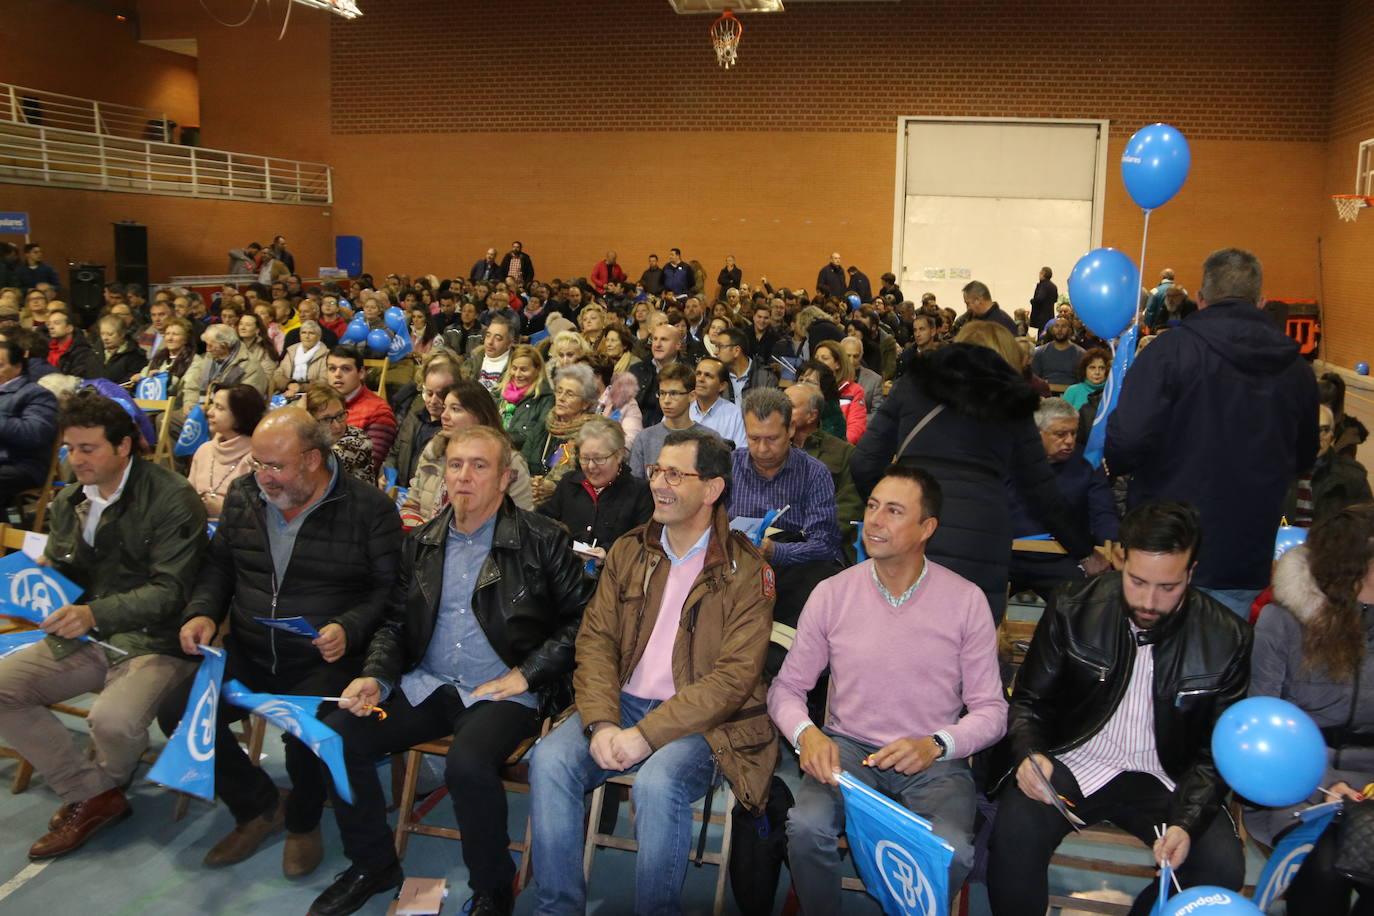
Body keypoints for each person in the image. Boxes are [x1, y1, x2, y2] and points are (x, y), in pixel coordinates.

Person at [312, 424, 593, 916]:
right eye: (455, 465)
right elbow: (396, 623)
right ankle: (374, 863)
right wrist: (375, 675)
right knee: (336, 735)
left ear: (505, 477)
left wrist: (527, 673)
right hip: (429, 684)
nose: (464, 476)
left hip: (504, 692)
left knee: (468, 764)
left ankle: (492, 885)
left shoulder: (544, 540)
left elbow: (585, 622)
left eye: (479, 466)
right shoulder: (420, 541)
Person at [529, 428, 777, 914]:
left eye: (674, 474)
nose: (658, 484)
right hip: (620, 702)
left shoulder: (746, 571)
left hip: (703, 723)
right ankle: (556, 908)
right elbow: (596, 641)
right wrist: (601, 722)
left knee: (658, 783)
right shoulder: (630, 549)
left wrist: (644, 735)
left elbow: (732, 680)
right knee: (549, 760)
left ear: (711, 489)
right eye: (656, 471)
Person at [987, 501, 1251, 916]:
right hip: (1074, 760)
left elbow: (1214, 755)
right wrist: (1029, 754)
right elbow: (1029, 702)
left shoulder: (1227, 637)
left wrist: (1186, 822)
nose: (1149, 601)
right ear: (1120, 559)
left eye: (1168, 587)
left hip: (1166, 778)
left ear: (1191, 572)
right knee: (1012, 834)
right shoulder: (1073, 604)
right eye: (1138, 581)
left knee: (1220, 867)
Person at [171, 407, 402, 874]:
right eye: (257, 464)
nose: (264, 478)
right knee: (178, 711)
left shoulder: (368, 509)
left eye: (276, 466)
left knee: (306, 733)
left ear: (314, 459)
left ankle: (303, 822)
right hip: (253, 648)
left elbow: (389, 591)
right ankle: (258, 805)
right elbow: (220, 566)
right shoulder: (244, 494)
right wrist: (202, 613)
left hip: (324, 658)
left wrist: (348, 626)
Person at [772, 465, 1008, 909]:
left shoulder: (966, 601)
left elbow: (992, 711)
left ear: (926, 528)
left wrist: (937, 744)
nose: (875, 521)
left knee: (953, 850)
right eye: (873, 506)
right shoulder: (832, 593)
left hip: (932, 760)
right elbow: (785, 689)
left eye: (894, 511)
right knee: (806, 828)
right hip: (847, 751)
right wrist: (808, 735)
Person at [0, 390, 206, 859]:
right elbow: (75, 576)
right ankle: (92, 793)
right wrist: (48, 575)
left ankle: (94, 796)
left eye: (87, 449)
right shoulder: (70, 500)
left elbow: (171, 592)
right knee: (1, 687)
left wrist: (91, 613)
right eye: (69, 449)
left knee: (111, 722)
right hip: (89, 636)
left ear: (123, 446)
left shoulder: (173, 497)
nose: (75, 460)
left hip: (157, 640)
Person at [1106, 247, 1319, 618]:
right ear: (1262, 301)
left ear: (1200, 300)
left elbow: (1126, 442)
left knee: (1148, 662)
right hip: (1244, 549)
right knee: (1219, 663)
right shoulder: (1296, 368)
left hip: (1163, 549)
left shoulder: (1168, 352)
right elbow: (1305, 458)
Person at [852, 338, 1102, 621]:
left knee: (896, 633)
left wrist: (888, 511)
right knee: (968, 643)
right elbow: (1042, 493)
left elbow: (863, 462)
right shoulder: (1012, 401)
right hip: (981, 539)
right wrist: (1084, 552)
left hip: (910, 529)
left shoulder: (913, 386)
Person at [1247, 504, 1374, 915]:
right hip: (1300, 784)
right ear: (1352, 572)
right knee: (1323, 871)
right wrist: (1325, 783)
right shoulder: (1281, 622)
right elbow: (1263, 729)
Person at [732, 388, 843, 651]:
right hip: (734, 575)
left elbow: (825, 544)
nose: (761, 449)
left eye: (772, 439)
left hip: (792, 581)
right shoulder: (729, 467)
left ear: (791, 429)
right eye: (753, 438)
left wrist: (776, 551)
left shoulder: (813, 474)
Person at [1009, 398, 1120, 600]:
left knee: (1083, 606)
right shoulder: (1009, 459)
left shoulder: (1087, 461)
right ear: (1037, 433)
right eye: (1060, 434)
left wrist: (1112, 545)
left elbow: (1102, 512)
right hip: (1009, 556)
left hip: (1063, 556)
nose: (1069, 440)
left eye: (1073, 433)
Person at [402, 380, 536, 529]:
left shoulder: (510, 462)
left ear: (480, 415)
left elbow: (521, 525)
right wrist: (425, 537)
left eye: (455, 409)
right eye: (445, 408)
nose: (444, 416)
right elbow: (412, 504)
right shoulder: (434, 449)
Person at [537, 414, 653, 563]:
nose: (591, 466)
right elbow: (545, 521)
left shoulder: (640, 492)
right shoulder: (569, 483)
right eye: (585, 458)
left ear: (618, 455)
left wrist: (607, 552)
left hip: (611, 575)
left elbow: (641, 540)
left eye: (599, 459)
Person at [785, 383, 864, 562]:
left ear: (812, 415)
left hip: (825, 547)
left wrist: (809, 537)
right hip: (776, 541)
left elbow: (850, 507)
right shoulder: (772, 449)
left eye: (789, 406)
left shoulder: (843, 452)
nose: (781, 411)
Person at [187, 383, 264, 523]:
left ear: (240, 415)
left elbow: (261, 514)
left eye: (219, 408)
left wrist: (223, 510)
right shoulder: (204, 450)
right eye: (212, 405)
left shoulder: (258, 458)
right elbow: (186, 495)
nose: (209, 412)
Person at [1284, 403, 1372, 526]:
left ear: (1332, 435)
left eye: (1324, 430)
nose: (1316, 436)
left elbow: (1365, 525)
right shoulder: (1271, 471)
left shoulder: (1352, 477)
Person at [0, 336, 58, 510]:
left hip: (22, 464)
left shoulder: (37, 394)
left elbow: (34, 433)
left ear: (18, 367)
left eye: (0, 364)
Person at [527, 363, 598, 503]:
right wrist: (534, 484)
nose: (561, 398)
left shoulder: (592, 434)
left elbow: (589, 481)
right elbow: (524, 461)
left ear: (585, 403)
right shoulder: (545, 425)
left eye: (569, 394)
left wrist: (555, 487)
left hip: (570, 503)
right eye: (559, 391)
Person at [628, 362, 712, 479]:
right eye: (662, 393)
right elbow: (635, 487)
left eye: (674, 393)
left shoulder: (709, 439)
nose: (666, 400)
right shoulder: (644, 438)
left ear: (692, 396)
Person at [383, 357, 455, 488]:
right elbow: (393, 453)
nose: (433, 401)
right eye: (429, 393)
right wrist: (387, 473)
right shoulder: (413, 417)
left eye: (440, 395)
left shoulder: (453, 431)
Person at [325, 345, 397, 472]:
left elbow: (369, 464)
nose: (337, 374)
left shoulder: (379, 411)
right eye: (332, 369)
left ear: (361, 373)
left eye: (346, 369)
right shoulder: (320, 405)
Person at [303, 381, 374, 485]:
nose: (337, 425)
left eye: (340, 415)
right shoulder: (311, 441)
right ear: (310, 421)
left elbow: (319, 465)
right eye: (326, 419)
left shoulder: (358, 441)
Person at [183, 324, 270, 407]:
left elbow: (249, 402)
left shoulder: (249, 366)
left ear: (225, 345)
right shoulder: (209, 358)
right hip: (200, 408)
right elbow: (192, 385)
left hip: (230, 415)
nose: (207, 349)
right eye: (206, 344)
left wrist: (214, 409)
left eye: (211, 345)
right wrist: (190, 403)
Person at [629, 322, 690, 427]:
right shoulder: (636, 370)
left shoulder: (688, 373)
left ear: (678, 345)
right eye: (655, 339)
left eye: (664, 340)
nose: (657, 344)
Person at [814, 340, 868, 444]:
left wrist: (836, 446)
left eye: (824, 358)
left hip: (838, 447)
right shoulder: (808, 388)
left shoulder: (854, 391)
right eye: (816, 358)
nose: (818, 362)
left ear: (838, 364)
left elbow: (856, 427)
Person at [688, 356, 746, 448]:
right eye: (698, 374)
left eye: (708, 375)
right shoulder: (682, 408)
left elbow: (740, 455)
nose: (700, 379)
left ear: (722, 386)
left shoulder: (735, 415)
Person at [717, 326, 779, 404]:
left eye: (720, 346)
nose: (716, 352)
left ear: (736, 350)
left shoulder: (766, 378)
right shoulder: (719, 377)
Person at [272, 319, 329, 397]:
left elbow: (324, 382)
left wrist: (300, 388)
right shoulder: (291, 351)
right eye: (303, 333)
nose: (307, 336)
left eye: (311, 333)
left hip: (314, 395)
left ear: (318, 337)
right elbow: (277, 375)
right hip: (287, 391)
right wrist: (289, 384)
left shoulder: (326, 354)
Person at [44, 308, 104, 379]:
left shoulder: (82, 352)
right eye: (49, 324)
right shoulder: (45, 348)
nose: (51, 327)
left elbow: (75, 381)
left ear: (69, 328)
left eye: (57, 323)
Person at [1029, 317, 1085, 387]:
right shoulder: (1040, 352)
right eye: (1057, 326)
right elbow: (1034, 378)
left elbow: (1082, 380)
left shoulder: (1080, 354)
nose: (1060, 329)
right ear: (1052, 330)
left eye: (1063, 326)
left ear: (1070, 330)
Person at [469, 314, 515, 393]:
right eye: (488, 335)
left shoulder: (516, 367)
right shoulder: (473, 360)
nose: (490, 342)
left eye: (498, 338)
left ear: (509, 343)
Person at [96, 314, 147, 384]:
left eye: (110, 334)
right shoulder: (94, 351)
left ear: (122, 334)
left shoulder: (136, 356)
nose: (105, 338)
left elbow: (129, 384)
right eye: (102, 334)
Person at [952, 280, 1017, 335]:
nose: (968, 308)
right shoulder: (975, 319)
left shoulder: (1002, 323)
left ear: (978, 300)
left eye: (968, 303)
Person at [1029, 266, 1058, 338]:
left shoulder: (1043, 285)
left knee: (1041, 335)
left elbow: (1039, 299)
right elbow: (1055, 299)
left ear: (1043, 274)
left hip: (1041, 316)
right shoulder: (1053, 286)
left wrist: (1032, 301)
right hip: (1050, 314)